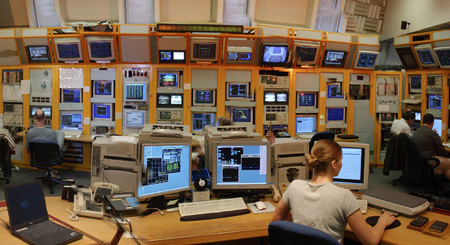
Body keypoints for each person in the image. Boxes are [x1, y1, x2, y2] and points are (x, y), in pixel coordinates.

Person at [273, 140, 395, 244]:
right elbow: (371, 241)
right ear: (334, 164)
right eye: (341, 160)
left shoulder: (294, 186)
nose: (342, 163)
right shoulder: (344, 197)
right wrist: (382, 222)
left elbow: (276, 221)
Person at [412, 113, 450, 180]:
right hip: (429, 161)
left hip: (418, 161)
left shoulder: (416, 132)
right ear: (432, 123)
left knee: (447, 169)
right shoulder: (433, 134)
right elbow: (441, 151)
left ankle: (445, 184)